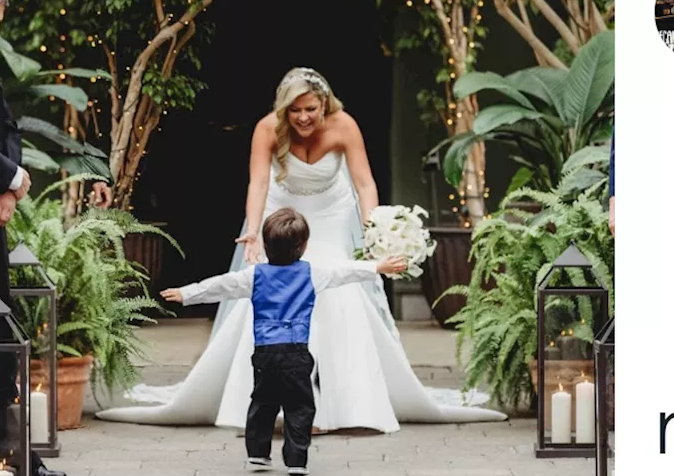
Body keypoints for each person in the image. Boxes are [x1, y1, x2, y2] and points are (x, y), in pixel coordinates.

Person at [97, 67, 506, 432]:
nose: (304, 118)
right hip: (282, 210)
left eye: (311, 109)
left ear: (324, 104)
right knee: (267, 290)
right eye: (295, 111)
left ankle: (349, 405)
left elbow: (364, 184)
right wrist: (254, 230)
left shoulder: (344, 125)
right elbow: (258, 183)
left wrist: (374, 229)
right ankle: (255, 402)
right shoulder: (266, 129)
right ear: (284, 110)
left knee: (337, 292)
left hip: (329, 215)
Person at [160, 208, 410, 474]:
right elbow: (344, 271)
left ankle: (258, 454)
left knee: (262, 402)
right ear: (303, 246)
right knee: (300, 406)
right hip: (296, 351)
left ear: (265, 246)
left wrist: (186, 293)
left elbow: (220, 286)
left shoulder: (253, 275)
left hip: (265, 351)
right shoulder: (313, 273)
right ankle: (296, 459)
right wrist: (377, 267)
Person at [0, 0, 69, 476]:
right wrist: (8, 174)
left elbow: (5, 127)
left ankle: (11, 457)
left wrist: (9, 187)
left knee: (2, 336)